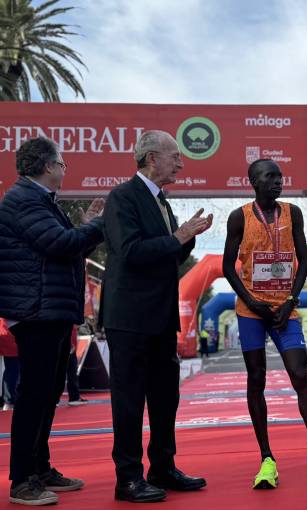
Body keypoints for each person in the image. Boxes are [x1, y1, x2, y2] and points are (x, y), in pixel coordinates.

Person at [100, 130, 212, 502]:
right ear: (151, 158)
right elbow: (130, 251)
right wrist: (178, 236)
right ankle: (128, 478)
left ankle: (162, 467)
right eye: (175, 156)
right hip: (129, 318)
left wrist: (188, 237)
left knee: (166, 397)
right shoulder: (122, 197)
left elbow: (168, 256)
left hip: (161, 317)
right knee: (129, 401)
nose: (181, 164)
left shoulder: (162, 202)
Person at [223, 159, 307, 491]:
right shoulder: (239, 217)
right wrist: (251, 301)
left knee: (300, 374)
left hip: (284, 309)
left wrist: (292, 299)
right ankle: (266, 459)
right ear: (253, 182)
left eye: (279, 176)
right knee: (256, 378)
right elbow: (228, 267)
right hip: (251, 311)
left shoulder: (293, 213)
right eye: (270, 176)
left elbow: (304, 261)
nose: (277, 181)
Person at [0, 137, 105, 505]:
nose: (63, 169)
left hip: (50, 309)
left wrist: (87, 227)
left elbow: (67, 247)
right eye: (62, 164)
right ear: (47, 166)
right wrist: (98, 225)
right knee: (34, 395)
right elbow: (60, 244)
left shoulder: (42, 200)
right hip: (36, 310)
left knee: (47, 393)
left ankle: (40, 468)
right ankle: (22, 480)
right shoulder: (24, 200)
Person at [65, 326, 87, 406]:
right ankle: (74, 397)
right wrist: (70, 344)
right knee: (72, 373)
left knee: (72, 372)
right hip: (69, 347)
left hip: (70, 347)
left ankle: (74, 397)